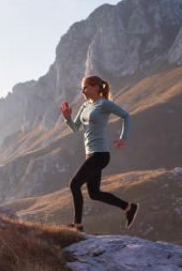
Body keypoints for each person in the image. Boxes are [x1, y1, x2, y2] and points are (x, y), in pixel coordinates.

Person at [59, 75, 138, 232]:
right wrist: (67, 117)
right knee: (94, 193)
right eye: (82, 88)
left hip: (101, 154)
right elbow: (75, 128)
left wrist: (123, 138)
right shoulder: (84, 106)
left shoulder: (104, 104)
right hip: (90, 154)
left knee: (74, 184)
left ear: (96, 87)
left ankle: (78, 225)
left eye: (86, 87)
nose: (83, 90)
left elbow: (126, 116)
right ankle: (128, 207)